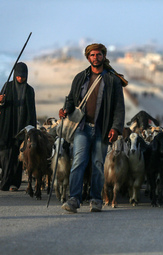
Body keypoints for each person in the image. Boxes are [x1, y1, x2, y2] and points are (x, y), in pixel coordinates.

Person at [60, 43, 125, 213]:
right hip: (82, 127)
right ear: (88, 57)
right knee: (78, 162)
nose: (95, 58)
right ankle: (74, 199)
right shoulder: (80, 78)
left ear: (104, 56)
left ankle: (96, 199)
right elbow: (71, 99)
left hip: (102, 129)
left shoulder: (112, 80)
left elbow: (119, 107)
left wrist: (116, 128)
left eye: (98, 55)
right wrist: (66, 109)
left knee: (98, 164)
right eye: (92, 55)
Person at [0, 62, 37, 191]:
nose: (20, 79)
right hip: (7, 127)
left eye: (23, 76)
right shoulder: (7, 87)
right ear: (15, 75)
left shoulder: (29, 90)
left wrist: (31, 129)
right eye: (18, 76)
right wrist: (1, 101)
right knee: (6, 156)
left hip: (22, 129)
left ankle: (14, 184)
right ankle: (4, 182)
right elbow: (2, 105)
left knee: (18, 157)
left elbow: (32, 111)